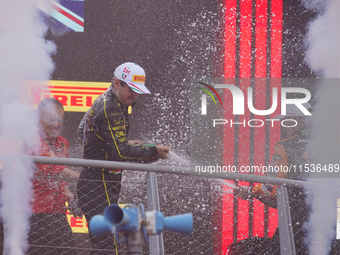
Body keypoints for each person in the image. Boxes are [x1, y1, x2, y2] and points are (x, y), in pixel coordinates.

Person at [76, 62, 170, 254]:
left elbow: (82, 131)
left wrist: (116, 142)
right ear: (117, 83)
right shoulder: (110, 106)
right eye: (132, 90)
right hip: (97, 183)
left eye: (138, 92)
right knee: (108, 246)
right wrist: (153, 151)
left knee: (104, 245)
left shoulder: (108, 100)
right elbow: (120, 153)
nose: (135, 96)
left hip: (97, 181)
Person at [230, 103, 312, 255]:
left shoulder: (284, 146)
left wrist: (249, 191)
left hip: (298, 214)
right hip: (334, 211)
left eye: (284, 121)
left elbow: (271, 188)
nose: (283, 126)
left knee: (281, 250)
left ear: (294, 119)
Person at [28, 98, 80, 255]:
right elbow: (54, 168)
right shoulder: (33, 141)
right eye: (51, 120)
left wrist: (68, 193)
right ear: (39, 119)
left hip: (58, 213)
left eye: (59, 120)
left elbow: (60, 177)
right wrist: (87, 178)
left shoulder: (63, 143)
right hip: (35, 216)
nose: (56, 124)